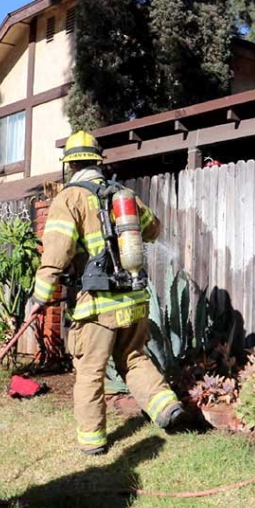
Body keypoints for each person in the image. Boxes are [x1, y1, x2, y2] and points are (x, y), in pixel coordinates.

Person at [30, 131, 186, 455]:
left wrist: (38, 298)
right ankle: (166, 407)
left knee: (90, 372)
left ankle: (92, 441)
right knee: (133, 358)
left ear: (70, 165)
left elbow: (56, 255)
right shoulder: (123, 194)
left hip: (97, 307)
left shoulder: (69, 199)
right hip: (133, 298)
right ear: (99, 163)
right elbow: (153, 229)